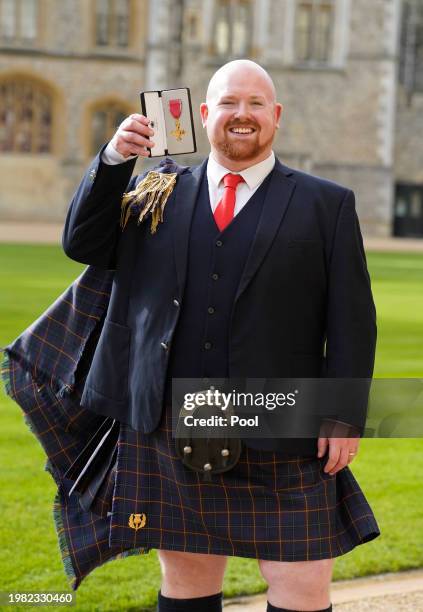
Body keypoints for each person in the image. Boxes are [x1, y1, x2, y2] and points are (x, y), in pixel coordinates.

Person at [61, 60, 380, 612]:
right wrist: (114, 160)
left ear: (275, 116)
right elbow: (83, 242)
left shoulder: (326, 204)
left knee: (302, 586)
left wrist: (344, 412)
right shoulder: (156, 190)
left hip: (283, 423)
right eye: (230, 103)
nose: (243, 114)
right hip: (171, 420)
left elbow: (352, 317)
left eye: (256, 104)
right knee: (186, 581)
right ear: (204, 115)